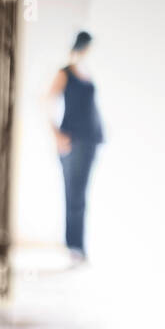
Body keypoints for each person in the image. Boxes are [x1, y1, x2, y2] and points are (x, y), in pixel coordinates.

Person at [45, 30, 104, 262]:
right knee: (74, 195)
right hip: (74, 141)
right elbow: (46, 102)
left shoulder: (87, 73)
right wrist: (56, 135)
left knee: (81, 194)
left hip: (91, 141)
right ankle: (75, 247)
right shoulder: (65, 73)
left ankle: (78, 245)